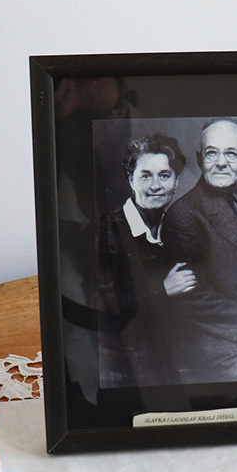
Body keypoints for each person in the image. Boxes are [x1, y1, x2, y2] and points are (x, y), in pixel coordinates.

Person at [164, 118, 237, 384]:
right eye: (212, 153)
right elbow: (192, 295)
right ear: (199, 158)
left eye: (231, 153)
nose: (221, 162)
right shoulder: (183, 214)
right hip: (218, 335)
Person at [97, 134, 197, 388]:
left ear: (176, 181)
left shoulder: (177, 229)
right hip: (127, 362)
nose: (155, 186)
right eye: (145, 176)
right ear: (131, 180)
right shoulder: (109, 229)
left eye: (164, 175)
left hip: (171, 356)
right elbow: (108, 305)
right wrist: (163, 289)